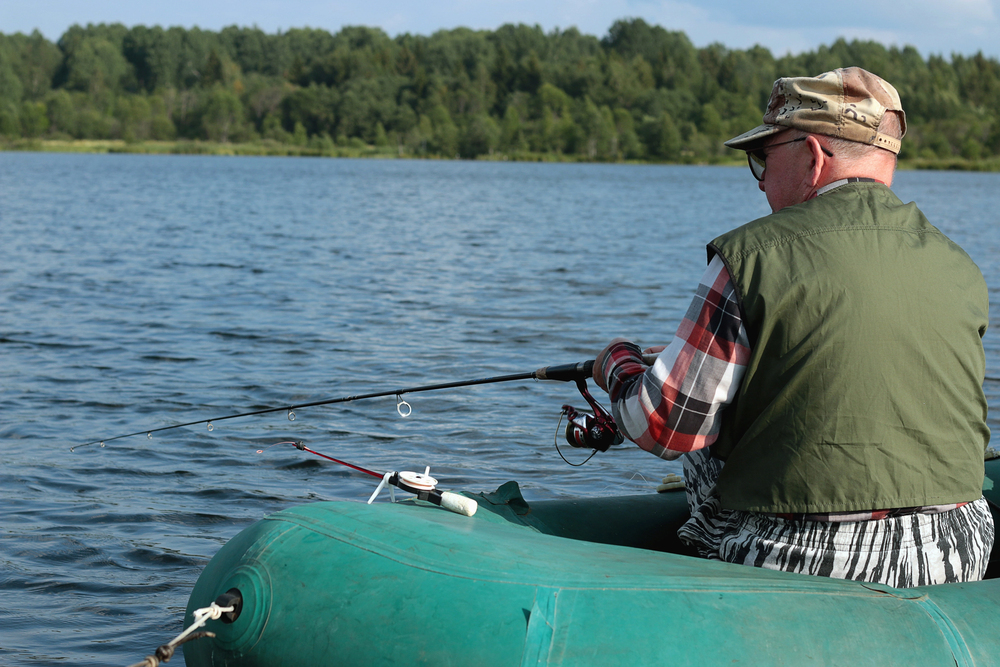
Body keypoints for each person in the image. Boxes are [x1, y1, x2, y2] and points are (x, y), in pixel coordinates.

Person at [592, 67, 994, 588]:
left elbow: (663, 424)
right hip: (955, 551)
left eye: (764, 157)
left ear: (813, 155)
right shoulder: (959, 265)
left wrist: (617, 366)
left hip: (803, 558)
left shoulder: (752, 256)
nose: (760, 180)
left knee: (701, 432)